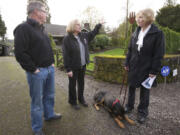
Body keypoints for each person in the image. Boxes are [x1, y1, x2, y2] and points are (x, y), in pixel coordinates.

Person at [14, 2, 61, 135]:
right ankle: (37, 128)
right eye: (45, 11)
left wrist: (52, 63)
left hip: (49, 69)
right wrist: (33, 69)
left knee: (50, 95)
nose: (47, 14)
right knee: (37, 102)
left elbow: (47, 48)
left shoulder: (42, 29)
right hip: (37, 72)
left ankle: (49, 114)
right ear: (36, 12)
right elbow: (20, 53)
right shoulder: (23, 28)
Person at [124, 8, 165, 124]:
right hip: (133, 66)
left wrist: (154, 70)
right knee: (131, 87)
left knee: (145, 91)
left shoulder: (158, 33)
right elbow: (130, 49)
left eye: (141, 17)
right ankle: (129, 106)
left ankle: (142, 112)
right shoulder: (136, 32)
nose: (138, 19)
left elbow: (159, 54)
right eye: (138, 17)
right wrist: (127, 62)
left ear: (148, 18)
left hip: (147, 68)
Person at [62, 19, 103, 110]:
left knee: (81, 83)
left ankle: (81, 99)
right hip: (73, 67)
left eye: (80, 25)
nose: (80, 26)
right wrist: (68, 69)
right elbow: (65, 55)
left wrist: (98, 25)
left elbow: (93, 33)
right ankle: (72, 101)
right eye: (77, 25)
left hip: (83, 65)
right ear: (72, 26)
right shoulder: (67, 39)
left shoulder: (83, 36)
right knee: (72, 85)